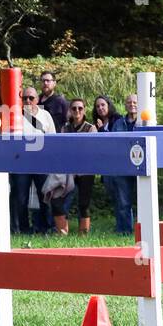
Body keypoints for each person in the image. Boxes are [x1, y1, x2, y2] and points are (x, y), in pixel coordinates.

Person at [11, 87, 55, 234]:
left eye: (31, 98)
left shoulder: (45, 115)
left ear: (37, 99)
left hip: (41, 162)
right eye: (25, 98)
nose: (28, 101)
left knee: (45, 196)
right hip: (21, 162)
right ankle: (21, 228)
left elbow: (52, 138)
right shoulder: (16, 116)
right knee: (20, 197)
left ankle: (47, 227)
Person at [100, 94, 136, 235]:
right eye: (129, 102)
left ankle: (145, 231)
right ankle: (124, 231)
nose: (132, 104)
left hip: (142, 168)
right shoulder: (118, 124)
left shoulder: (145, 123)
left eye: (134, 102)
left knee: (145, 203)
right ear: (125, 105)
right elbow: (113, 145)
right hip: (123, 168)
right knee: (123, 202)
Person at [62, 97, 96, 233]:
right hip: (69, 170)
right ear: (70, 110)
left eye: (80, 108)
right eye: (74, 108)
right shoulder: (65, 128)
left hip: (86, 170)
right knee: (64, 201)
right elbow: (62, 149)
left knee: (84, 203)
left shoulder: (91, 128)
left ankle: (84, 232)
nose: (77, 111)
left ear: (84, 110)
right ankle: (62, 231)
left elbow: (93, 150)